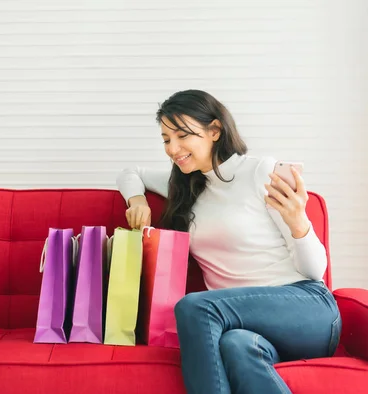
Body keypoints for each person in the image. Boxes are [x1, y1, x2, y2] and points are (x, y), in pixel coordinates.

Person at [116, 89, 341, 394]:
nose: (173, 148)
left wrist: (299, 222)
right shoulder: (186, 188)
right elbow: (131, 173)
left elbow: (315, 272)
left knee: (195, 308)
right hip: (246, 329)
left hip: (305, 308)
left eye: (182, 136)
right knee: (236, 345)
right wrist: (137, 199)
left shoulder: (259, 171)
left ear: (214, 130)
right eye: (166, 140)